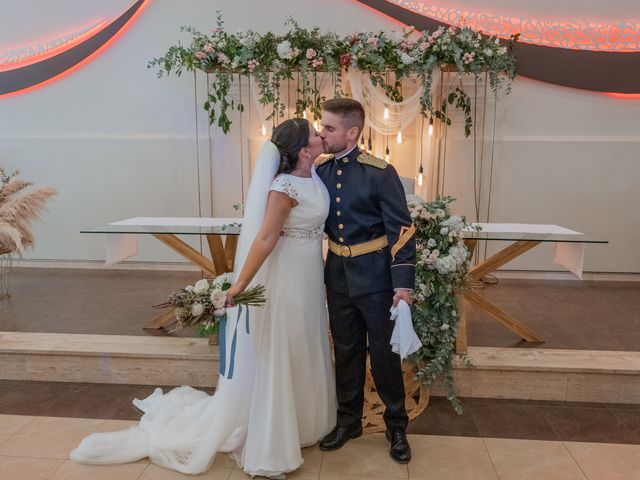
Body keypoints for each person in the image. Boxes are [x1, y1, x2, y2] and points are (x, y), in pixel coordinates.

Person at [70, 118, 337, 478]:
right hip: (285, 277)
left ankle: (306, 422)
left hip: (307, 275)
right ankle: (274, 437)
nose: (321, 136)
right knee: (282, 346)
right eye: (314, 135)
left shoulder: (315, 175)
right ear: (304, 150)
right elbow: (264, 238)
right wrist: (239, 285)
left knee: (303, 343)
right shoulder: (283, 187)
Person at [316, 98, 416, 464]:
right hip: (338, 278)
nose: (321, 133)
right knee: (346, 351)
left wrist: (402, 285)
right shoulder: (321, 172)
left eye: (329, 128)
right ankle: (348, 421)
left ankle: (396, 425)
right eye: (321, 126)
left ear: (351, 132)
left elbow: (402, 231)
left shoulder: (379, 172)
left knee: (385, 356)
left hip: (377, 279)